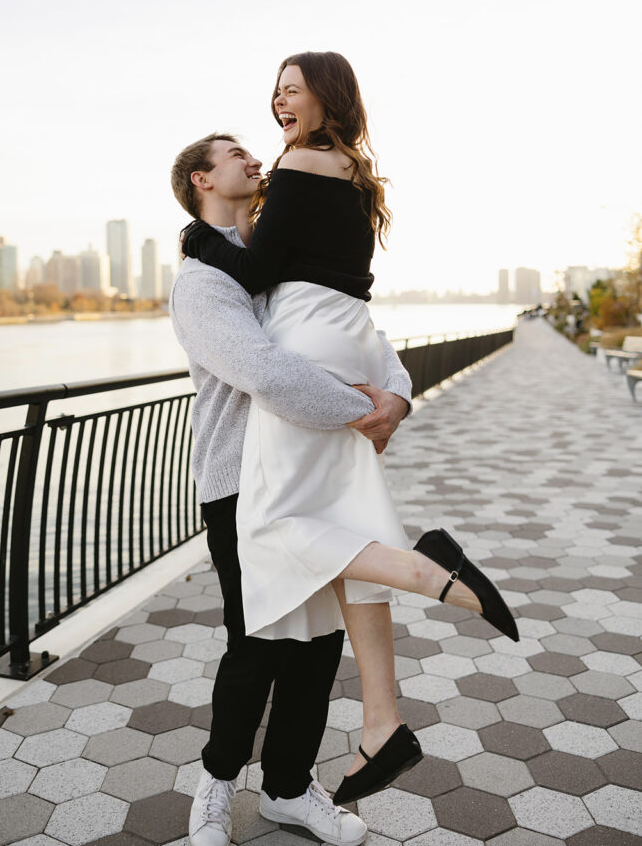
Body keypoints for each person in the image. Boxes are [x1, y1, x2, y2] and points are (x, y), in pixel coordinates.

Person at [182, 51, 520, 806]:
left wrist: (196, 238)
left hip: (312, 346)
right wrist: (386, 397)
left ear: (324, 96)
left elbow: (264, 276)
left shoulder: (301, 160)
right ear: (205, 179)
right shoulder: (350, 172)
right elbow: (343, 307)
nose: (276, 106)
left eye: (290, 90)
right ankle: (381, 724)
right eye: (272, 93)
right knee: (347, 535)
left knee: (270, 527)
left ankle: (429, 572)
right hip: (349, 333)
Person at [169, 132, 414, 846]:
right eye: (234, 154)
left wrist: (396, 396)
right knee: (258, 642)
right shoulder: (204, 282)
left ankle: (285, 789)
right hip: (242, 484)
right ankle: (215, 786)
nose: (256, 158)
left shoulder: (273, 264)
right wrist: (359, 410)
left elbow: (353, 331)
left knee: (318, 641)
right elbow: (267, 374)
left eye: (253, 149)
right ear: (200, 180)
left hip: (314, 474)